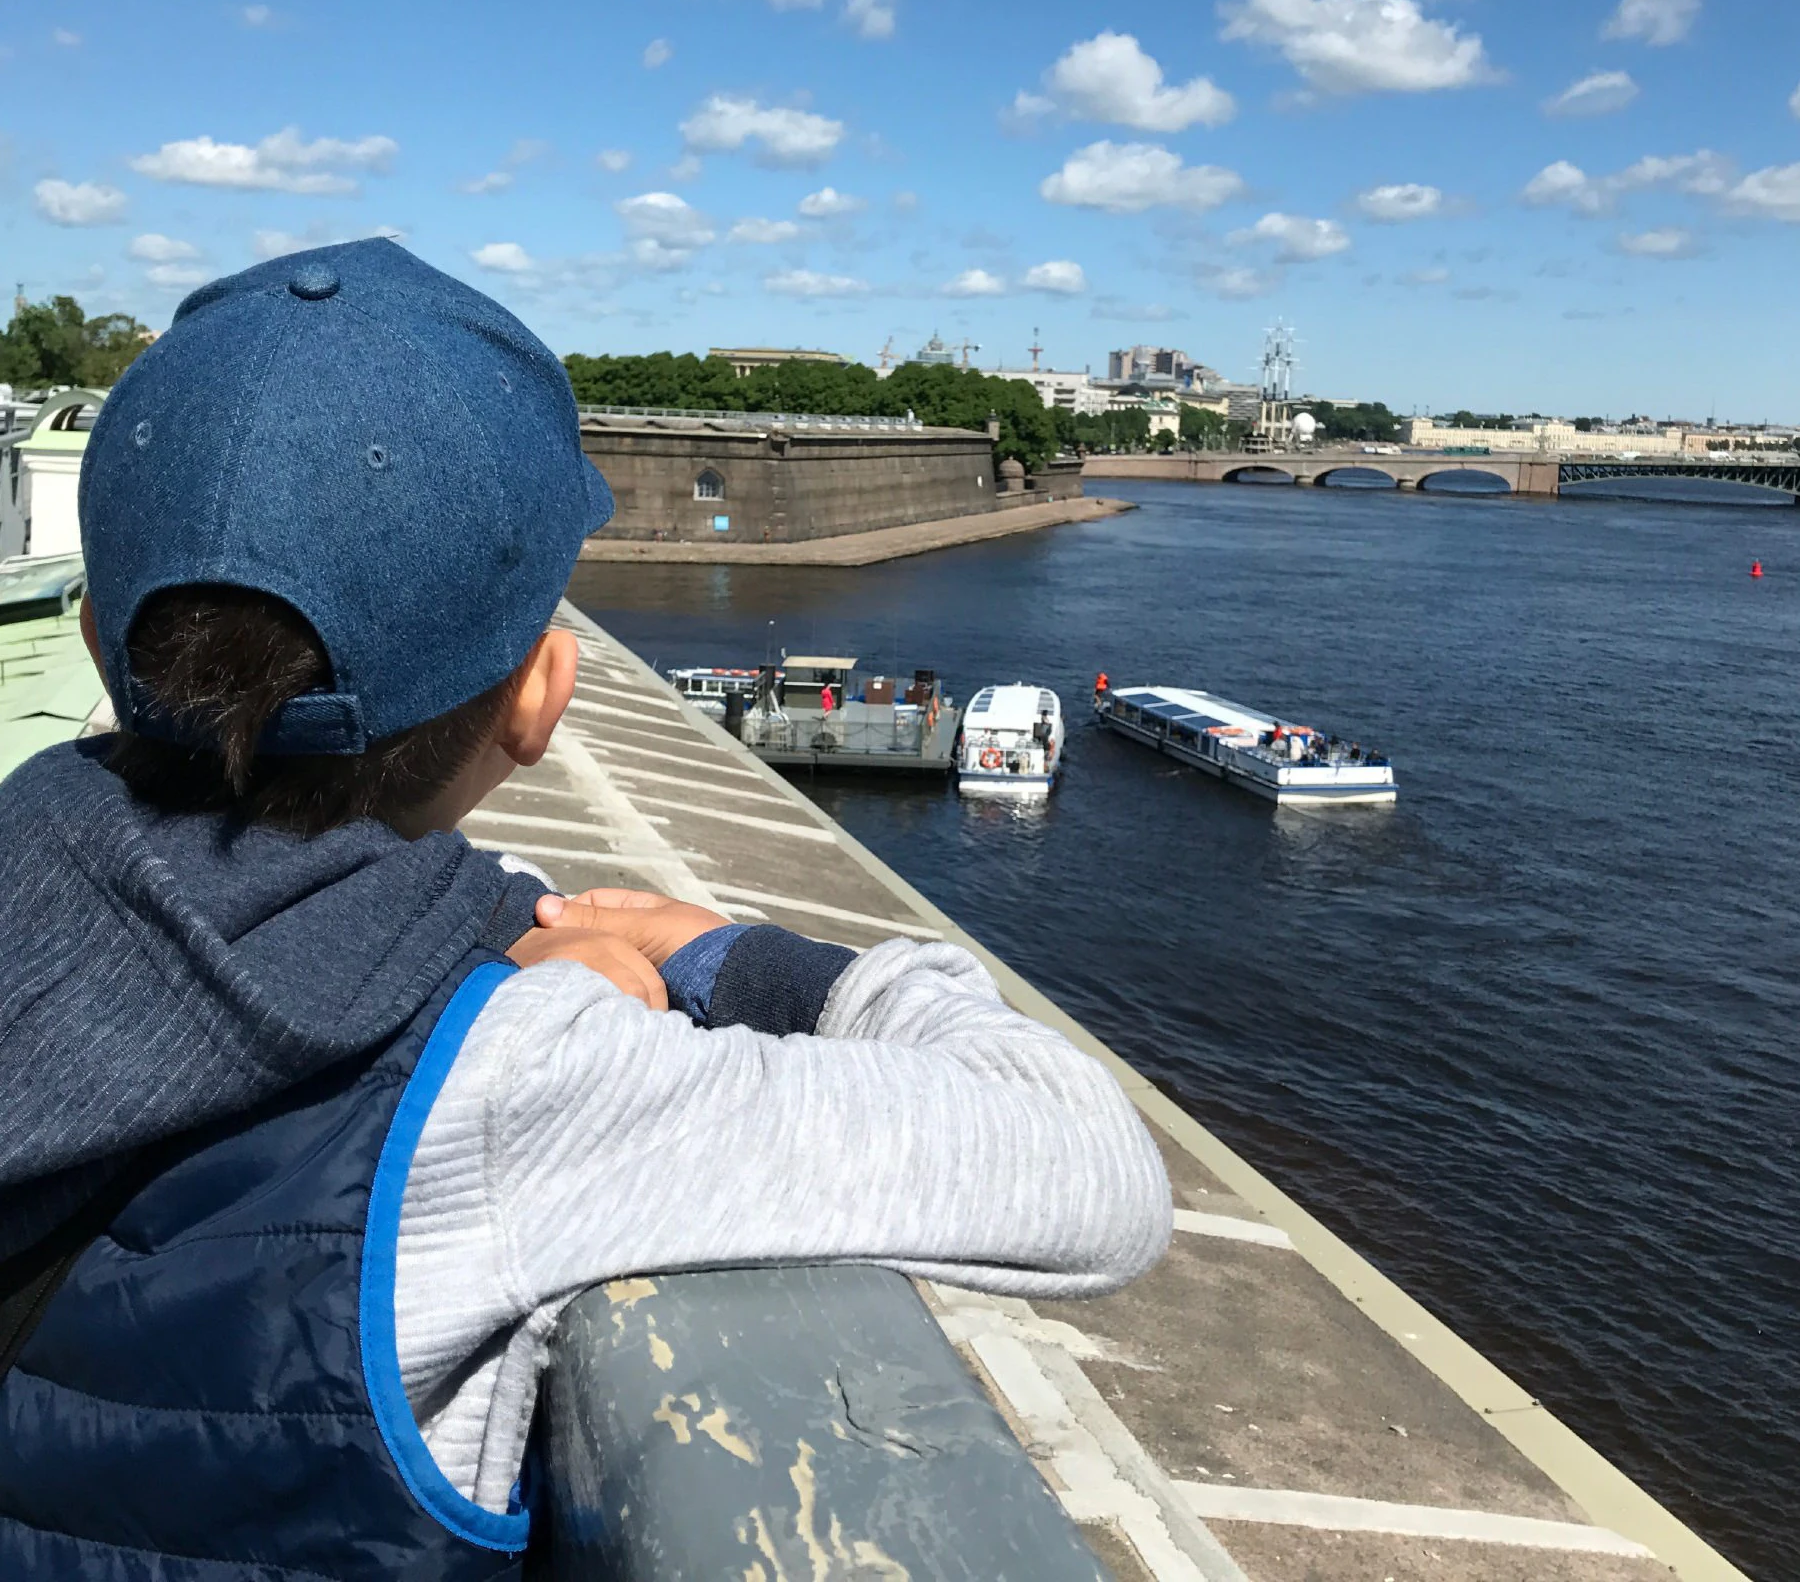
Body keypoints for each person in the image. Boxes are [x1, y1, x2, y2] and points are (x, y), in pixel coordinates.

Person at [0, 242, 1169, 1577]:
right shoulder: (517, 1091)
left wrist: (482, 926)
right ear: (542, 698)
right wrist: (734, 958)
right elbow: (1090, 1166)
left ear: (97, 640)